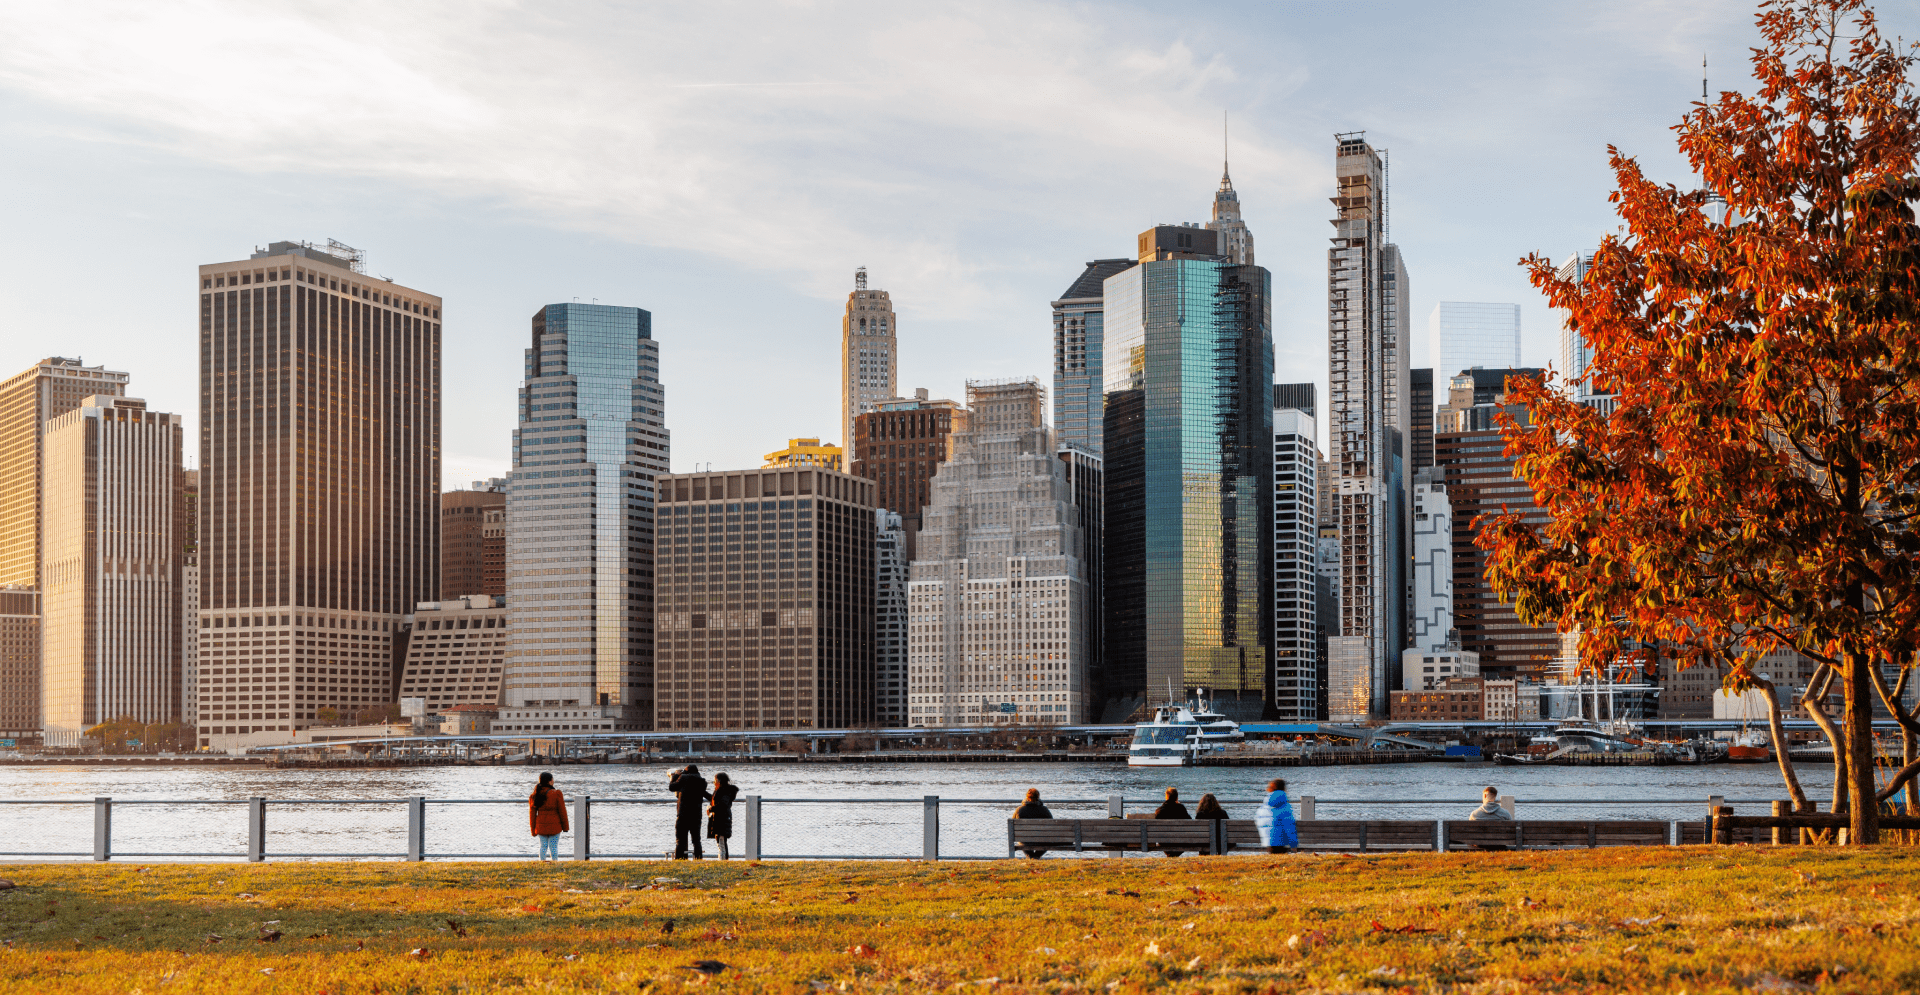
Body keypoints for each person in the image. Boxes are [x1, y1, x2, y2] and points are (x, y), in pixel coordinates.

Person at [668, 764, 711, 859]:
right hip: (696, 815)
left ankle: (679, 859)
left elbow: (672, 787)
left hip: (683, 814)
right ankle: (698, 859)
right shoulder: (702, 781)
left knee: (680, 840)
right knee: (696, 840)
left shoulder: (683, 778)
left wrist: (674, 776)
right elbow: (704, 793)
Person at [528, 772, 568, 861]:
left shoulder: (534, 795)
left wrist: (533, 830)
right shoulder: (556, 793)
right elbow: (562, 812)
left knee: (543, 846)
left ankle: (542, 862)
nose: (553, 781)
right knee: (553, 847)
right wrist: (565, 827)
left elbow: (532, 814)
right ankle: (555, 863)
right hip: (555, 825)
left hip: (541, 826)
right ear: (550, 781)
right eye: (552, 779)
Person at [1254, 778, 1297, 854]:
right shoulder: (1284, 805)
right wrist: (1293, 844)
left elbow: (1259, 821)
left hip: (1268, 841)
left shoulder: (1264, 805)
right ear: (1284, 788)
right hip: (1281, 841)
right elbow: (1289, 826)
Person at [1011, 788, 1053, 858]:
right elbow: (1051, 826)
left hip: (1024, 841)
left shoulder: (1019, 810)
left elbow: (1012, 826)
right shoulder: (1044, 810)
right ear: (1038, 797)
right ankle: (1035, 857)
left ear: (1027, 797)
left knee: (1023, 842)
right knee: (1048, 841)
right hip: (1042, 841)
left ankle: (1032, 857)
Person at [706, 772, 739, 861]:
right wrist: (704, 793)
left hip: (721, 819)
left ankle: (723, 860)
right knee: (720, 841)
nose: (714, 783)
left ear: (719, 781)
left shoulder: (724, 791)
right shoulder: (723, 791)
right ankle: (723, 859)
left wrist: (711, 809)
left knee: (721, 841)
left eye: (715, 781)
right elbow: (714, 799)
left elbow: (722, 805)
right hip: (720, 818)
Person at [1154, 786, 1192, 857]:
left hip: (1164, 842)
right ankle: (1173, 855)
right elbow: (1190, 822)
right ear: (1176, 798)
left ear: (1166, 797)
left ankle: (1171, 855)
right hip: (1180, 842)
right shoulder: (1181, 808)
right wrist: (1179, 805)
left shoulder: (1159, 811)